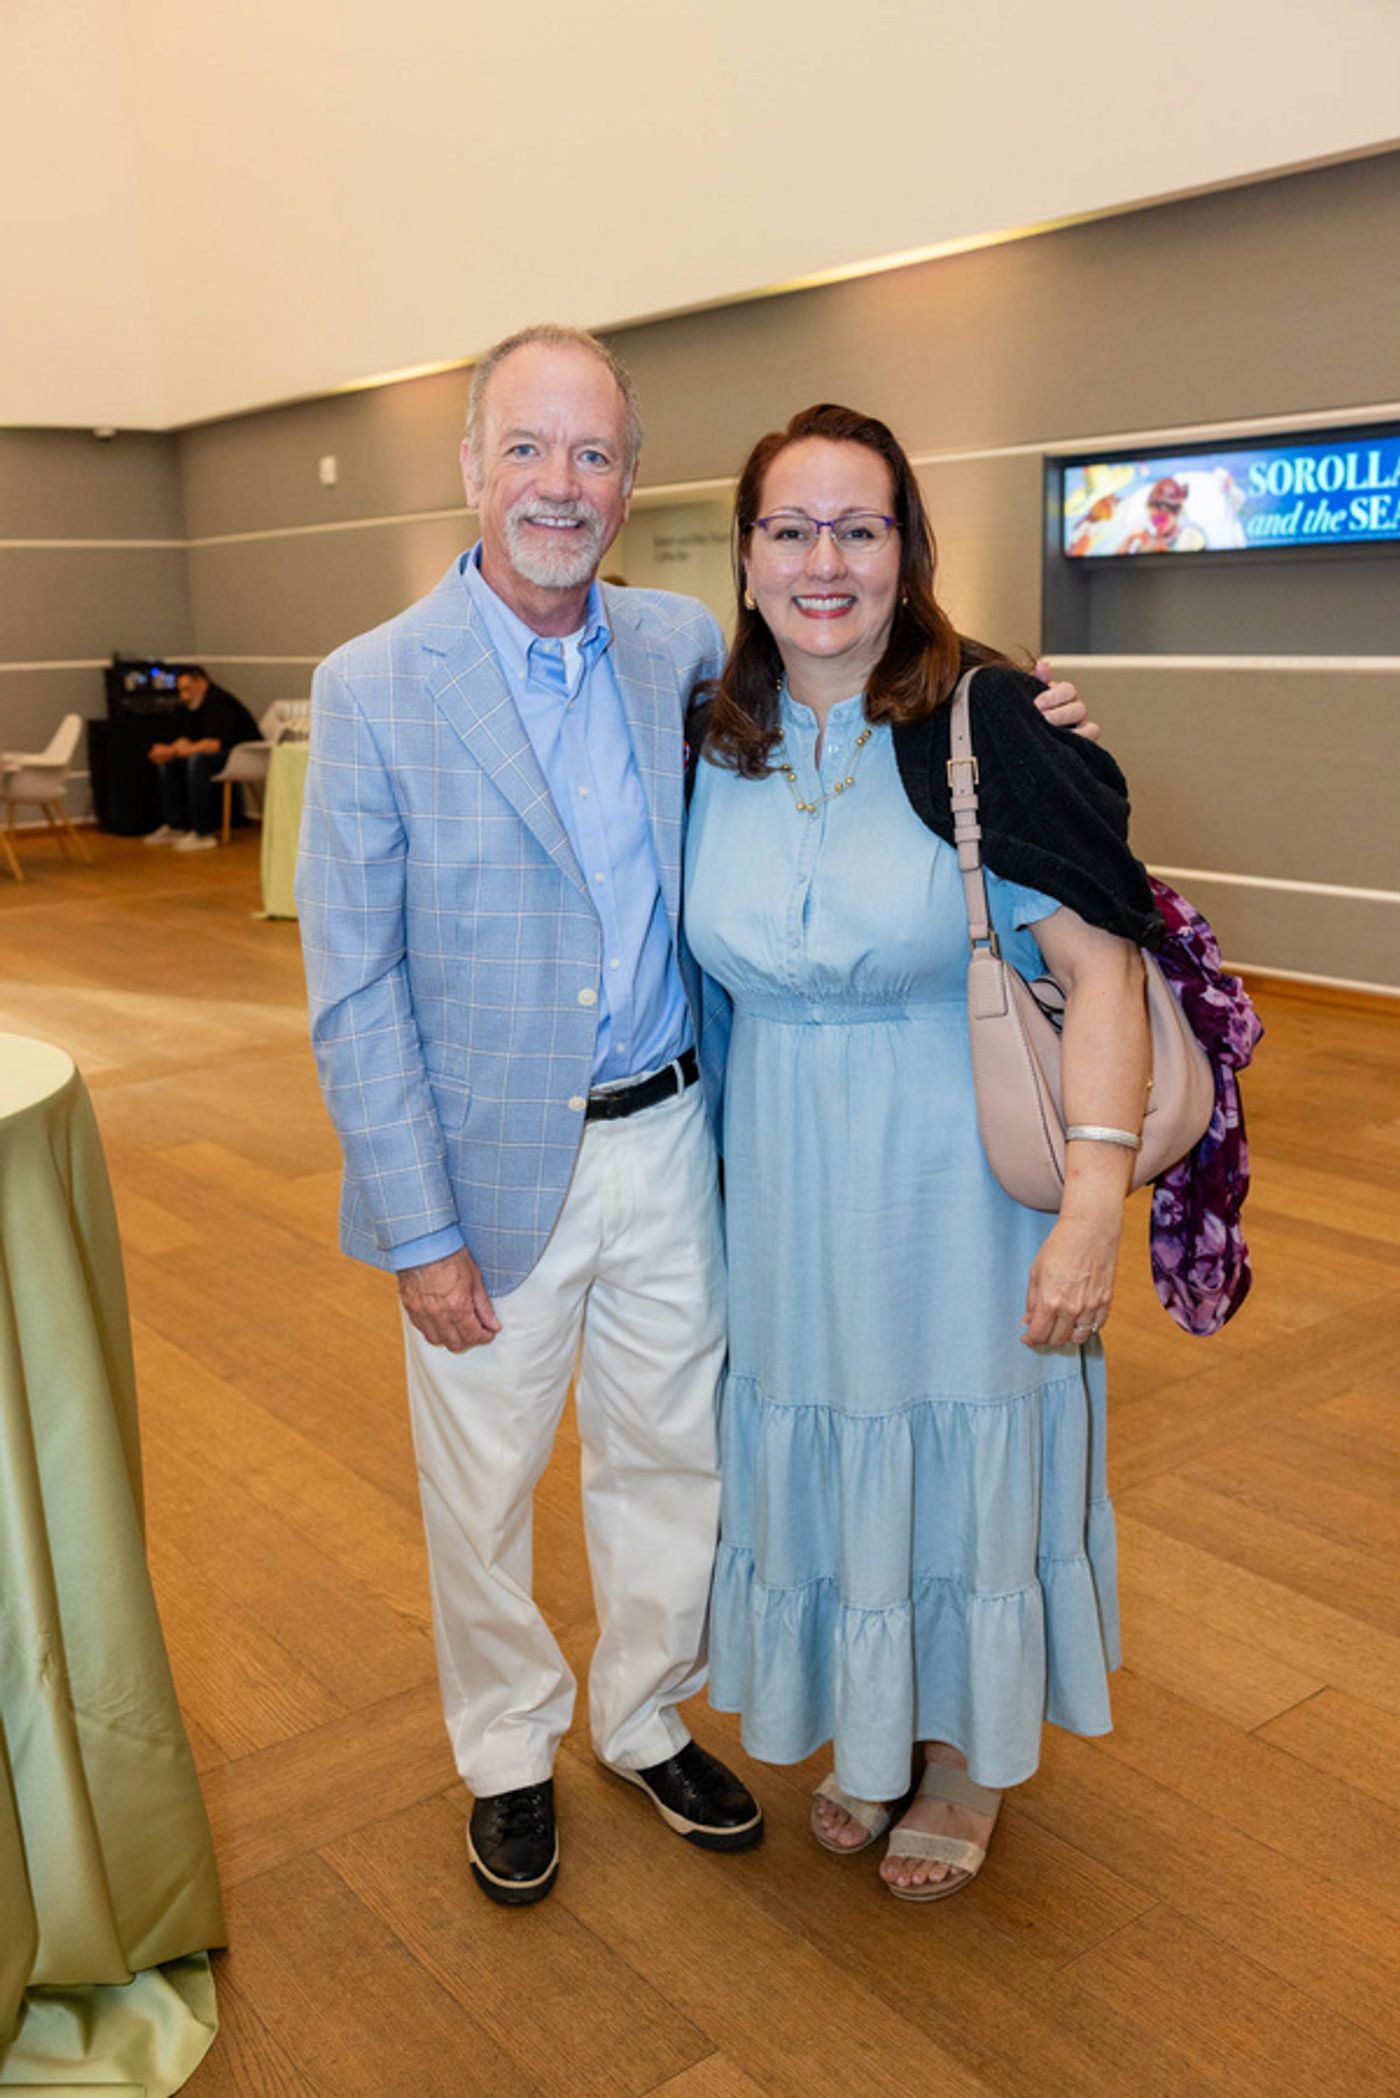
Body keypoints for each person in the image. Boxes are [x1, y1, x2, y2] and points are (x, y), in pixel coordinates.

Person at [296, 327, 1093, 1910]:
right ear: (470, 467)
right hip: (483, 1170)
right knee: (485, 1483)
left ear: (630, 480)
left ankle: (644, 1711)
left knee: (674, 1460)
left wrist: (1019, 697)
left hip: (678, 1138)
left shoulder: (676, 649)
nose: (560, 485)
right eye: (526, 448)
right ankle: (510, 1750)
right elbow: (352, 988)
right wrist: (417, 1222)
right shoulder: (374, 687)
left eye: (593, 454)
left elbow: (862, 652)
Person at [684, 402, 1152, 1902]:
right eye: (791, 528)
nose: (826, 560)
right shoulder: (713, 738)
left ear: (907, 551)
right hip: (788, 1193)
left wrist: (1092, 1208)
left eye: (860, 528)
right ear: (746, 557)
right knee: (824, 1432)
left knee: (963, 1445)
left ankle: (960, 1755)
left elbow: (1107, 973)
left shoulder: (985, 716)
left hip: (959, 1187)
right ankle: (872, 1726)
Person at [144, 667, 260, 849]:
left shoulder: (219, 702)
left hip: (244, 755)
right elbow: (187, 739)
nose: (184, 696)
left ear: (202, 683)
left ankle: (202, 832)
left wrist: (176, 751)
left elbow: (213, 744)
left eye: (187, 689)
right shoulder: (193, 706)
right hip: (222, 754)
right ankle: (175, 825)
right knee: (171, 762)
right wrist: (169, 750)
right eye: (181, 690)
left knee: (197, 761)